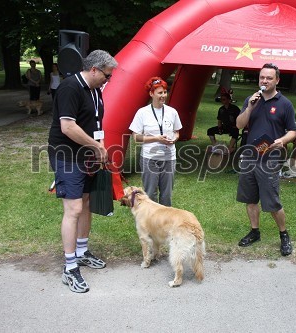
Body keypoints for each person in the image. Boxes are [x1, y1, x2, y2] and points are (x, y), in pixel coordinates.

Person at [48, 50, 118, 293]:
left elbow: (95, 124)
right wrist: (96, 146)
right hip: (67, 155)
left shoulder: (96, 90)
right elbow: (67, 127)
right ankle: (69, 268)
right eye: (107, 75)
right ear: (95, 69)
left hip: (88, 156)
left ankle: (81, 251)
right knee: (74, 208)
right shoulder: (70, 87)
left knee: (86, 204)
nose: (108, 80)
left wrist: (98, 147)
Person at [236, 63, 296, 256]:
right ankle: (255, 232)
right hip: (250, 156)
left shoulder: (284, 104)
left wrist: (282, 140)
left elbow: (293, 131)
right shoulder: (251, 100)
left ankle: (284, 235)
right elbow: (239, 125)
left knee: (272, 202)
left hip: (270, 159)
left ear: (277, 80)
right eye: (262, 77)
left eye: (269, 78)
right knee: (250, 199)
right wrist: (249, 108)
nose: (265, 81)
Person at [129, 77, 182, 207]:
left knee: (166, 194)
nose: (163, 95)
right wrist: (156, 138)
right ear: (151, 93)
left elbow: (177, 131)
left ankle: (165, 220)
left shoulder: (172, 112)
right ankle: (150, 221)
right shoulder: (142, 113)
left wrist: (175, 138)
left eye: (164, 92)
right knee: (150, 193)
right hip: (149, 158)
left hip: (169, 158)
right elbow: (136, 137)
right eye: (160, 93)